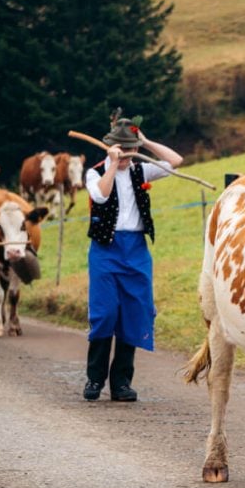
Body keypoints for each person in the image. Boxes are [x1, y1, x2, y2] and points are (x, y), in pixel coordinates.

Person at [82, 114, 183, 402]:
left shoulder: (142, 171)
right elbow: (101, 196)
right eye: (120, 150)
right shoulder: (96, 172)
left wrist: (145, 142)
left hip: (136, 249)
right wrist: (113, 164)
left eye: (129, 151)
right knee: (105, 314)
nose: (126, 157)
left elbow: (175, 161)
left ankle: (122, 383)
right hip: (105, 249)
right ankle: (94, 379)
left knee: (133, 313)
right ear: (110, 148)